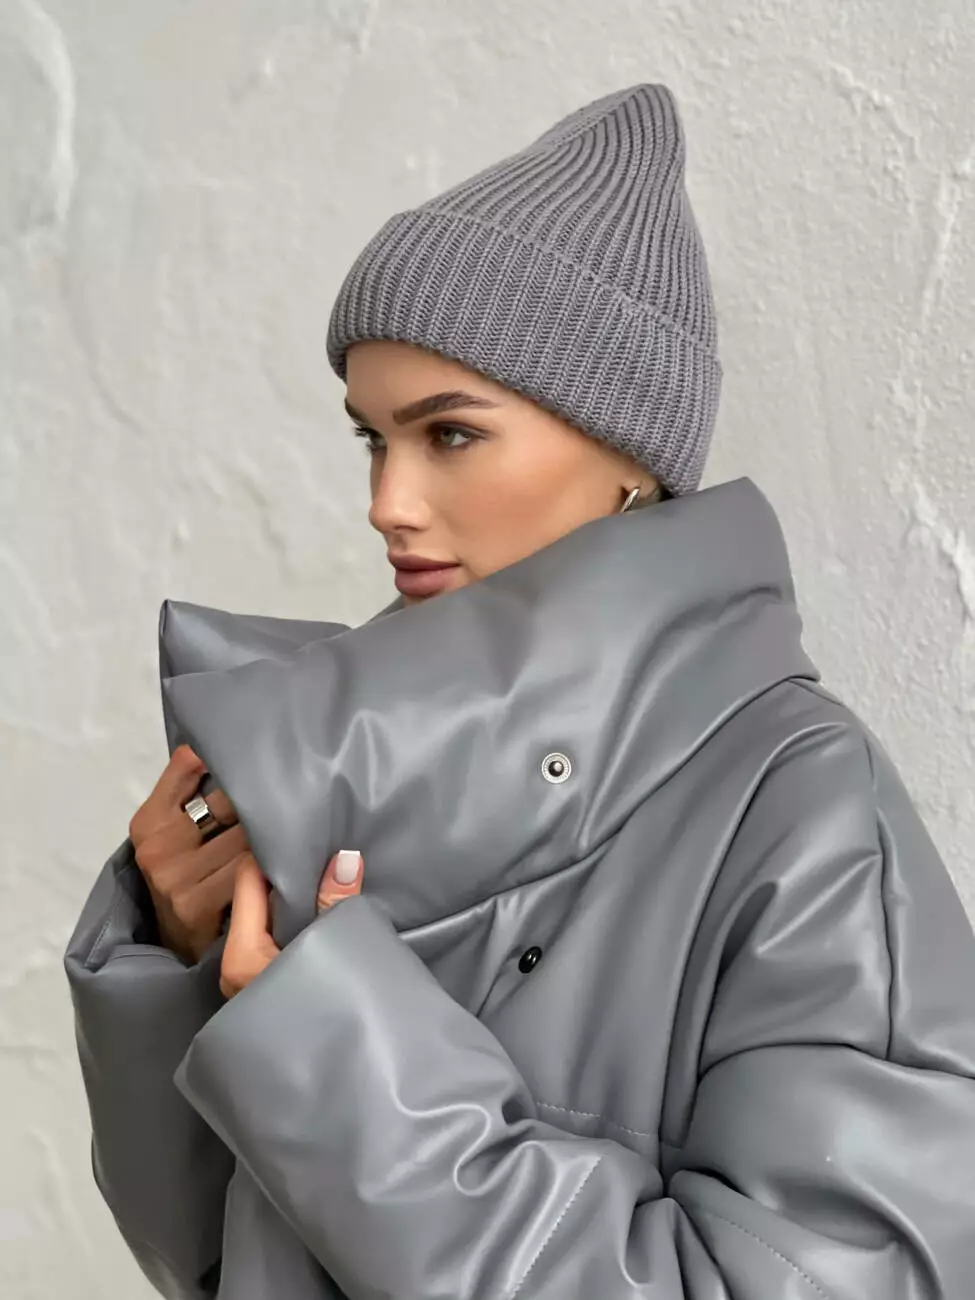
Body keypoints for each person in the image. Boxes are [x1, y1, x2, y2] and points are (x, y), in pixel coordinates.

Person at [64, 83, 975, 1300]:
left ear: (629, 454)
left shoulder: (802, 808)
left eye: (449, 433)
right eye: (372, 437)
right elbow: (218, 1265)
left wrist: (331, 1051)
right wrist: (185, 970)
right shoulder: (348, 767)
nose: (387, 502)